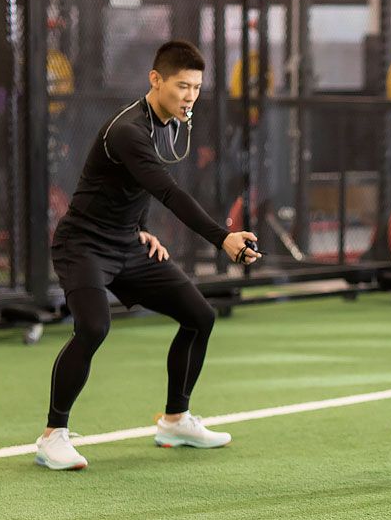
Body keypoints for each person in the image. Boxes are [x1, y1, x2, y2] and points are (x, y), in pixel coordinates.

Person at [36, 40, 261, 470]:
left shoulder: (171, 122)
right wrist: (223, 237)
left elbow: (133, 185)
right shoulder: (128, 129)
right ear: (155, 80)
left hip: (128, 244)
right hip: (83, 245)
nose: (190, 96)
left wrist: (139, 230)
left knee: (201, 316)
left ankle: (175, 419)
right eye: (181, 86)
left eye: (196, 87)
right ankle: (53, 436)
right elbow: (166, 190)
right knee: (94, 327)